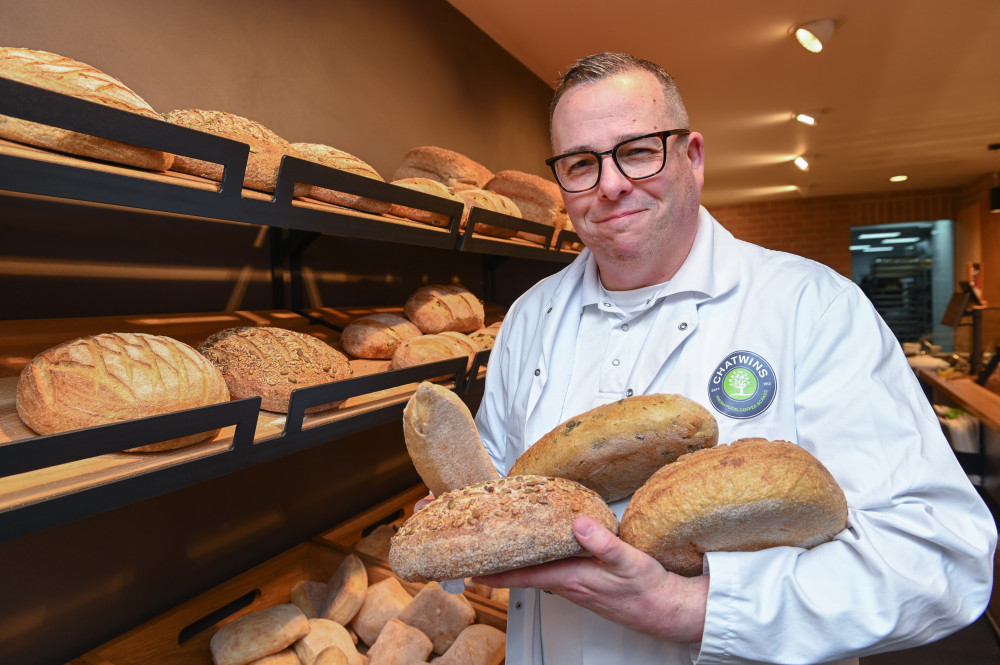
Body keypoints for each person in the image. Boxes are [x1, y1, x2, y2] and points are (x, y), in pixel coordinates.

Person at [468, 52, 997, 665]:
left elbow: (940, 557)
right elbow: (504, 482)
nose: (610, 184)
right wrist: (466, 518)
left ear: (692, 158)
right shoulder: (529, 318)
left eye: (638, 151)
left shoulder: (811, 306)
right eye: (580, 164)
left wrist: (693, 609)